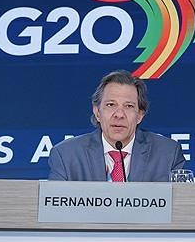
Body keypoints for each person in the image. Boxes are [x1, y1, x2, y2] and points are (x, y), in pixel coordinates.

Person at [48, 70, 185, 181]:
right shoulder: (66, 155)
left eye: (128, 106)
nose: (119, 114)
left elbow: (181, 210)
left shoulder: (168, 154)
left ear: (140, 115)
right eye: (111, 105)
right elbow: (54, 212)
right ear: (97, 112)